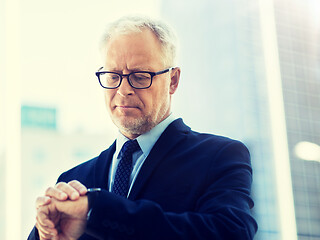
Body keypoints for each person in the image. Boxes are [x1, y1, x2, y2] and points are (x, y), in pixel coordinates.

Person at [28, 15, 258, 240]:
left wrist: (98, 210)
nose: (123, 90)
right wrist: (44, 234)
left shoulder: (220, 157)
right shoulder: (73, 179)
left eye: (139, 76)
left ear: (173, 81)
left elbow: (232, 233)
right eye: (113, 75)